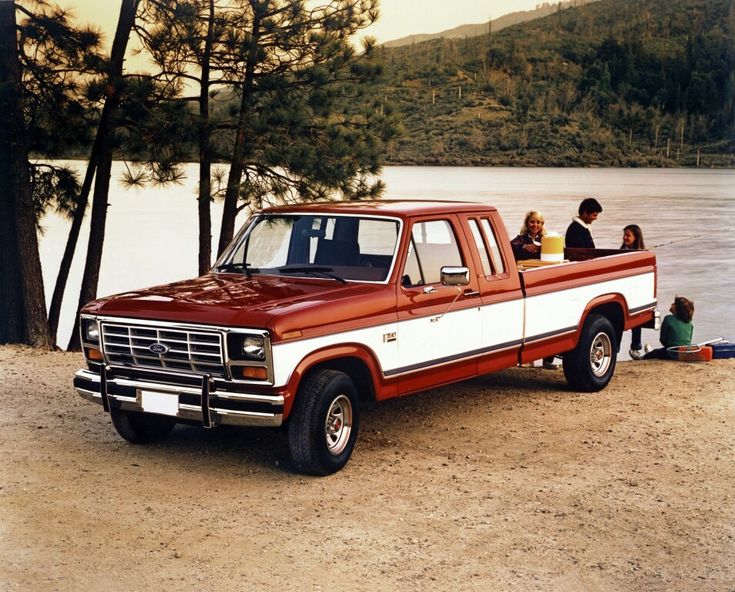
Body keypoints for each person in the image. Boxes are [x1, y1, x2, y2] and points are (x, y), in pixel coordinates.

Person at [511, 211, 557, 369]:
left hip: (544, 283)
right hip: (527, 284)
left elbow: (559, 252)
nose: (535, 225)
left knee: (548, 321)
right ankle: (526, 360)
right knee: (528, 321)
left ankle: (548, 360)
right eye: (532, 222)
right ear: (526, 223)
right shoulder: (520, 240)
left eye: (539, 222)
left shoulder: (548, 240)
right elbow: (509, 248)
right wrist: (524, 247)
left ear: (543, 225)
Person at [620, 224, 647, 358]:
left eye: (628, 235)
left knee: (637, 321)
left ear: (636, 238)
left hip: (636, 292)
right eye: (624, 235)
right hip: (622, 291)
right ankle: (616, 348)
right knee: (617, 321)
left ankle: (636, 347)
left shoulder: (641, 253)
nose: (625, 238)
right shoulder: (620, 251)